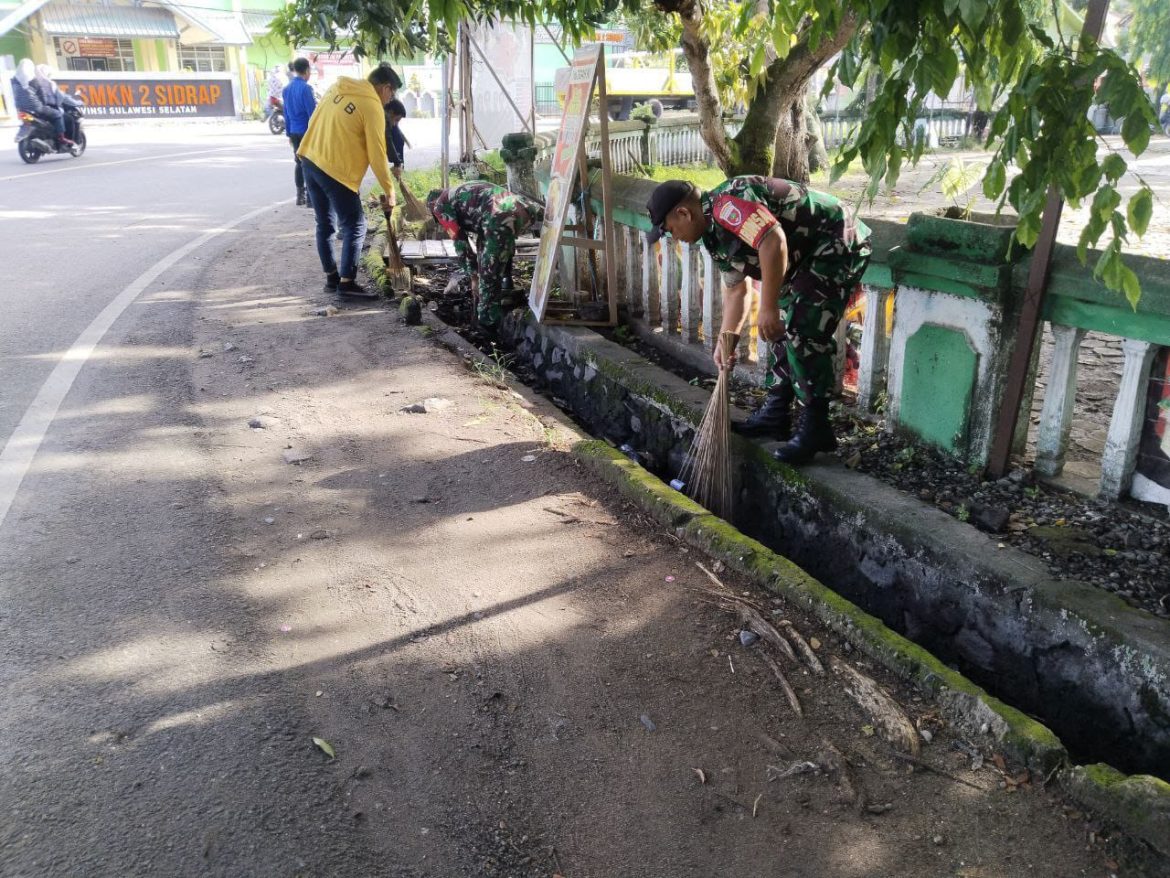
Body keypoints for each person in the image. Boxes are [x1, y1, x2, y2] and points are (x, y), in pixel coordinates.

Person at [645, 176, 871, 464]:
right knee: (778, 329)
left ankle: (816, 426)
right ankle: (776, 414)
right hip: (804, 256)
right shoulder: (713, 237)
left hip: (836, 240)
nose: (671, 237)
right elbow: (736, 290)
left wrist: (768, 306)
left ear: (683, 213)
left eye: (668, 229)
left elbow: (772, 240)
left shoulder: (728, 206)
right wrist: (726, 341)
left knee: (803, 329)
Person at [296, 62, 401, 299]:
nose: (390, 99)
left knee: (325, 224)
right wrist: (389, 190)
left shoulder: (337, 88)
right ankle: (347, 284)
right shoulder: (372, 105)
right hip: (335, 170)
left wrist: (304, 152)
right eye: (391, 93)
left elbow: (314, 119)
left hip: (310, 159)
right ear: (385, 88)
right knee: (356, 225)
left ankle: (332, 278)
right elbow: (377, 152)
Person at [426, 181, 544, 333]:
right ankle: (506, 286)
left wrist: (474, 278)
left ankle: (486, 326)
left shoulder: (439, 206)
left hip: (499, 215)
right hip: (525, 210)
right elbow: (481, 233)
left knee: (488, 275)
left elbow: (461, 244)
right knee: (492, 251)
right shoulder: (461, 192)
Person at [10, 59, 70, 145]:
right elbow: (42, 96)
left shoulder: (14, 81)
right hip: (35, 107)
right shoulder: (33, 80)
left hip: (20, 109)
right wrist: (44, 104)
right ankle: (62, 138)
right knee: (57, 114)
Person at [282, 57, 317, 206]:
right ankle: (310, 197)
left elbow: (286, 113)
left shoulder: (287, 89)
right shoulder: (306, 89)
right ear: (307, 70)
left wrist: (288, 133)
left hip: (294, 131)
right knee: (310, 164)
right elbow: (312, 114)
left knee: (299, 162)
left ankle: (300, 196)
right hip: (307, 132)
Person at [33, 64, 83, 140]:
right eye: (49, 74)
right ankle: (64, 140)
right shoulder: (50, 84)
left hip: (36, 111)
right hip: (49, 109)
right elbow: (63, 97)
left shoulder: (32, 83)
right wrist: (78, 103)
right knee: (69, 119)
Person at [384, 98, 409, 176]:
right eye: (396, 120)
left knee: (399, 138)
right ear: (390, 112)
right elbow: (388, 140)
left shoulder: (388, 120)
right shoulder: (381, 119)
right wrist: (397, 163)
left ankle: (399, 167)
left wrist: (398, 163)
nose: (395, 123)